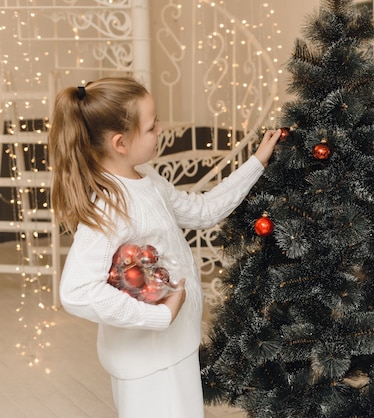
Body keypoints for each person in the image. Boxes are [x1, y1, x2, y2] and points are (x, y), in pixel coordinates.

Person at [49, 76, 281, 418]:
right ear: (120, 143)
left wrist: (256, 163)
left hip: (174, 347)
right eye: (151, 126)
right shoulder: (111, 206)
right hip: (149, 362)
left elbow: (203, 211)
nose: (160, 129)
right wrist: (159, 316)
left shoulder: (148, 179)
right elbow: (76, 291)